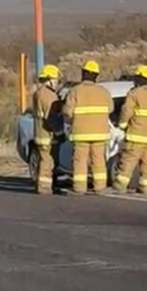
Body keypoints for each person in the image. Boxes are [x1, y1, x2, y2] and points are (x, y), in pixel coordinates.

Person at [62, 60, 113, 195]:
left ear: (83, 74)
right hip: (100, 133)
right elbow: (111, 109)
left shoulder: (75, 91)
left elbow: (67, 112)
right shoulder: (104, 92)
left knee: (80, 161)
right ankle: (100, 187)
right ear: (96, 76)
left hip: (81, 133)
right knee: (99, 160)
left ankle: (79, 188)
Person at [113, 65, 147, 194]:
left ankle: (120, 185)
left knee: (128, 160)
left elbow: (126, 111)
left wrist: (122, 125)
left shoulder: (135, 93)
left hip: (136, 135)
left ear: (139, 79)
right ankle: (146, 187)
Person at [32, 64, 64, 195]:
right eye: (56, 80)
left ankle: (44, 185)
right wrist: (59, 132)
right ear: (50, 79)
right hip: (46, 135)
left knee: (44, 160)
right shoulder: (47, 95)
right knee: (47, 161)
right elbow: (51, 117)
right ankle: (44, 188)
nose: (57, 83)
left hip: (41, 133)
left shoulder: (39, 93)